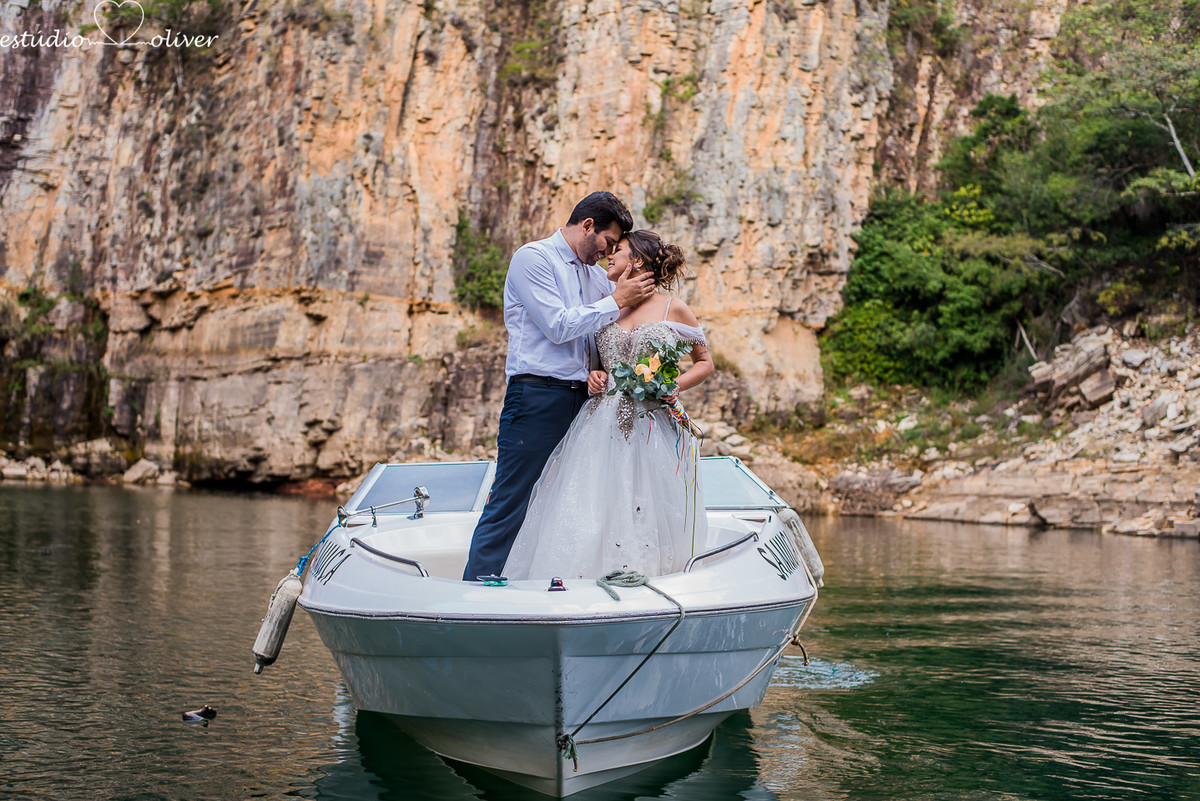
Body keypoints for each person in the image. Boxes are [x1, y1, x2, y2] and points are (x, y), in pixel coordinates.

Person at [461, 192, 656, 581]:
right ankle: (475, 594)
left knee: (568, 501)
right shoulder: (533, 259)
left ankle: (538, 591)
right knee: (512, 500)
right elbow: (558, 325)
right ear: (587, 226)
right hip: (537, 396)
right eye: (607, 242)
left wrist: (599, 367)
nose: (607, 252)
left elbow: (601, 331)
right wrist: (617, 299)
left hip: (585, 401)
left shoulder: (594, 275)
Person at [502, 230, 715, 581]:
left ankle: (648, 578)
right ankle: (577, 581)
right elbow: (593, 356)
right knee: (589, 501)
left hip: (650, 423)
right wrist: (594, 375)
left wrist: (673, 386)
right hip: (600, 421)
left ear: (638, 262)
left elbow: (705, 362)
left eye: (618, 251)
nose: (608, 256)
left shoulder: (671, 307)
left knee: (644, 500)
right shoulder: (606, 301)